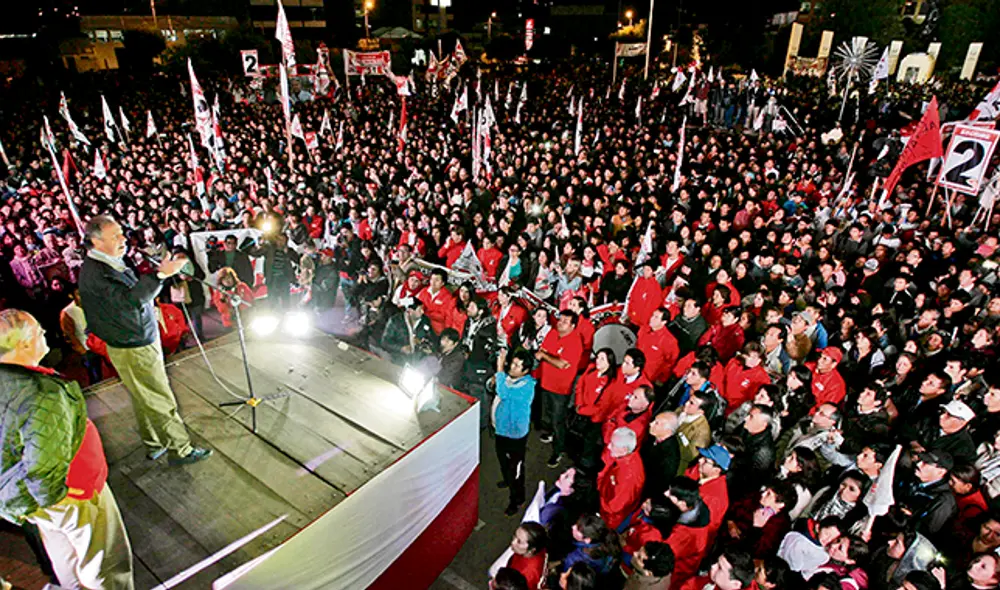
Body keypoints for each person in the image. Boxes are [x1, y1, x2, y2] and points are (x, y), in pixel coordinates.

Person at [0, 309, 134, 589]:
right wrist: (63, 498)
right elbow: (43, 464)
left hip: (26, 497)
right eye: (38, 331)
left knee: (66, 556)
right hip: (73, 491)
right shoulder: (40, 392)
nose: (45, 334)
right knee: (105, 562)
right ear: (23, 345)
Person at [77, 215, 211, 466]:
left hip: (130, 338)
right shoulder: (98, 274)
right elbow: (131, 300)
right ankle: (180, 449)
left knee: (142, 394)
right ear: (95, 241)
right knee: (159, 396)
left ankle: (155, 443)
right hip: (133, 343)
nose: (123, 238)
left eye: (121, 233)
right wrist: (161, 275)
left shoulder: (105, 262)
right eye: (115, 235)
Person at [536, 311, 584, 468]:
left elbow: (562, 364)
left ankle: (558, 450)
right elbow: (543, 351)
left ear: (573, 326)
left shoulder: (575, 342)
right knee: (548, 413)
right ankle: (551, 434)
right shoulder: (552, 333)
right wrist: (550, 357)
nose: (561, 322)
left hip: (560, 389)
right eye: (560, 319)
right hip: (546, 382)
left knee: (558, 420)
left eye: (565, 321)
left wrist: (546, 357)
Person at [494, 349, 538, 516]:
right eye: (512, 363)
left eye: (518, 366)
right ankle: (507, 479)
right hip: (502, 430)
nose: (512, 367)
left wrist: (499, 368)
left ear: (526, 370)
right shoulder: (510, 379)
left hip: (515, 435)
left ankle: (517, 499)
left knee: (516, 469)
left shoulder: (527, 386)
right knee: (502, 459)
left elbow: (503, 393)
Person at [597, 427, 645, 530]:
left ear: (624, 450)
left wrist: (600, 496)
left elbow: (614, 507)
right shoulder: (627, 458)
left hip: (610, 517)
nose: (609, 447)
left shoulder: (628, 477)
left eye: (613, 444)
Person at [506, 522, 548, 590]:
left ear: (531, 550)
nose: (513, 542)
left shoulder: (526, 574)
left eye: (519, 541)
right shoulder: (540, 548)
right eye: (514, 536)